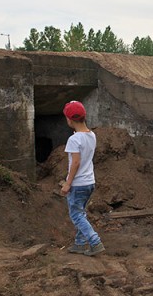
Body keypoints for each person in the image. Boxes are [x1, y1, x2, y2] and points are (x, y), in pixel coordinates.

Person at [60, 100, 105, 256]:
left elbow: (76, 163)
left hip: (78, 184)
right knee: (81, 213)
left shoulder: (74, 139)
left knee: (76, 215)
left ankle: (95, 241)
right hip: (89, 182)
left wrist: (68, 183)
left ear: (69, 120)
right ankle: (79, 244)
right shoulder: (91, 135)